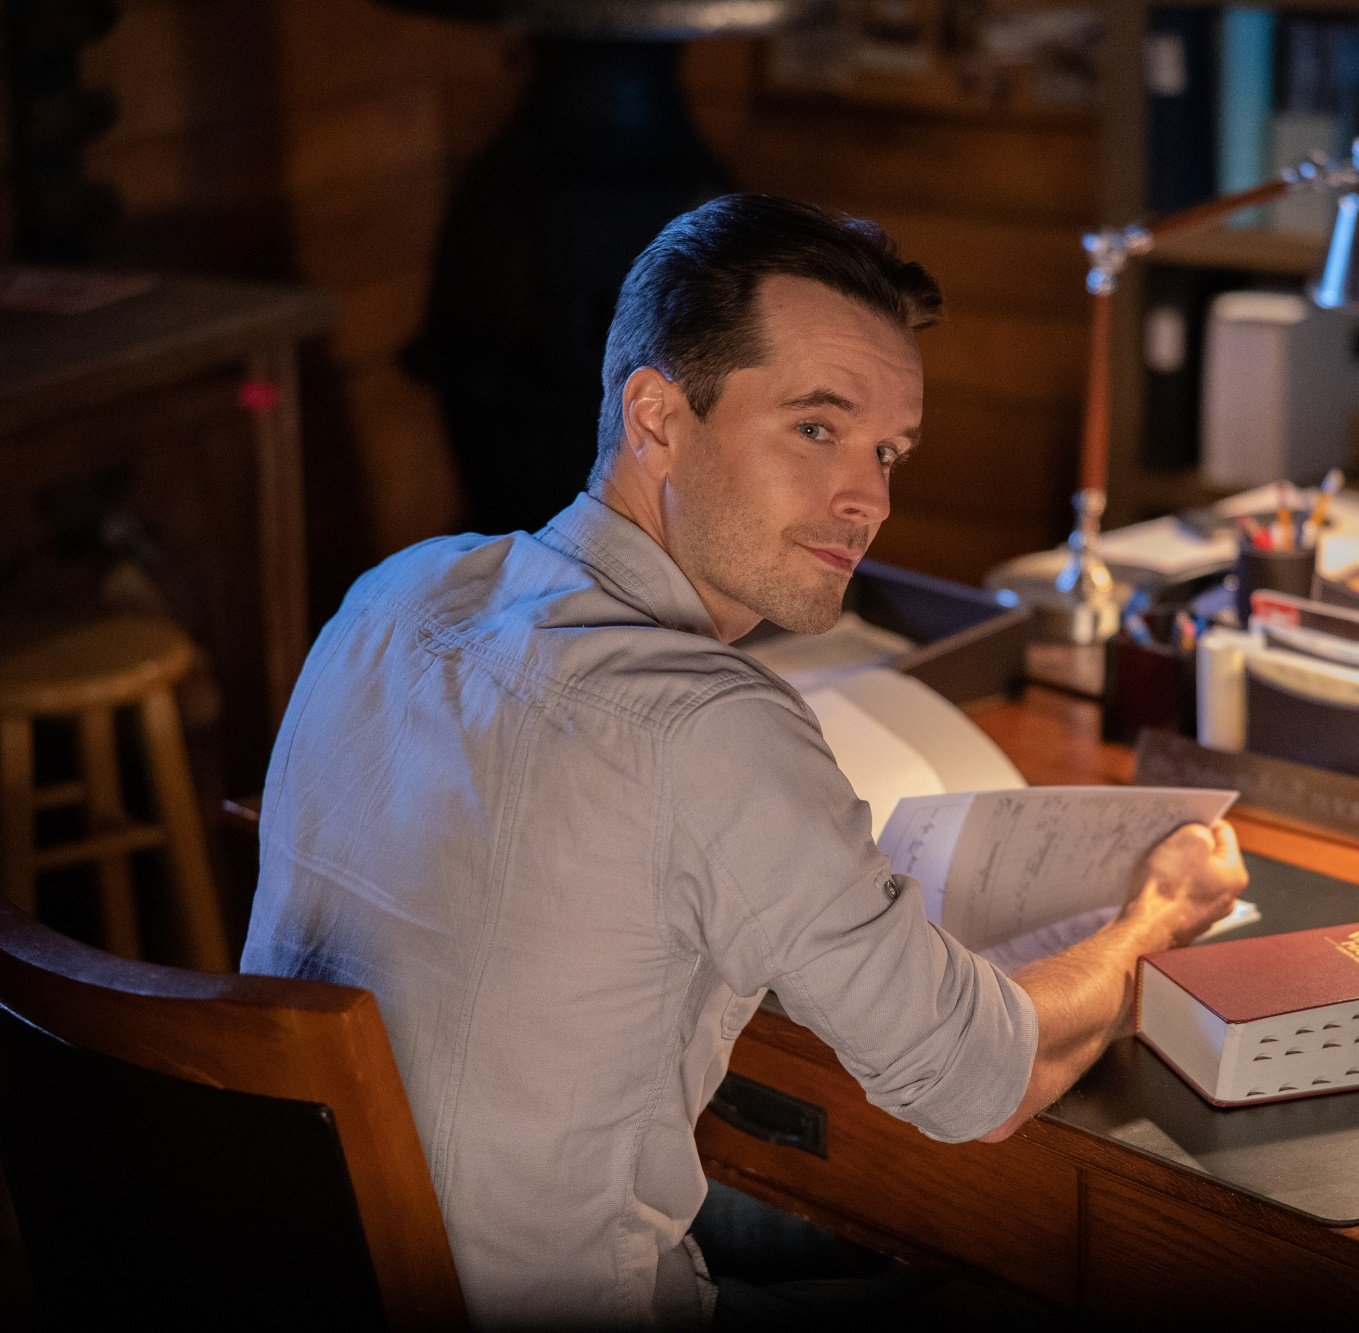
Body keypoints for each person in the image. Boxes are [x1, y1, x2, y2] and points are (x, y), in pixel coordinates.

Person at [241, 194, 1247, 1327]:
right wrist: (1151, 920)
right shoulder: (707, 725)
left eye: (885, 451)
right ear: (657, 415)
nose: (867, 497)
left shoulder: (396, 592)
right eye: (815, 428)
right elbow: (981, 1081)